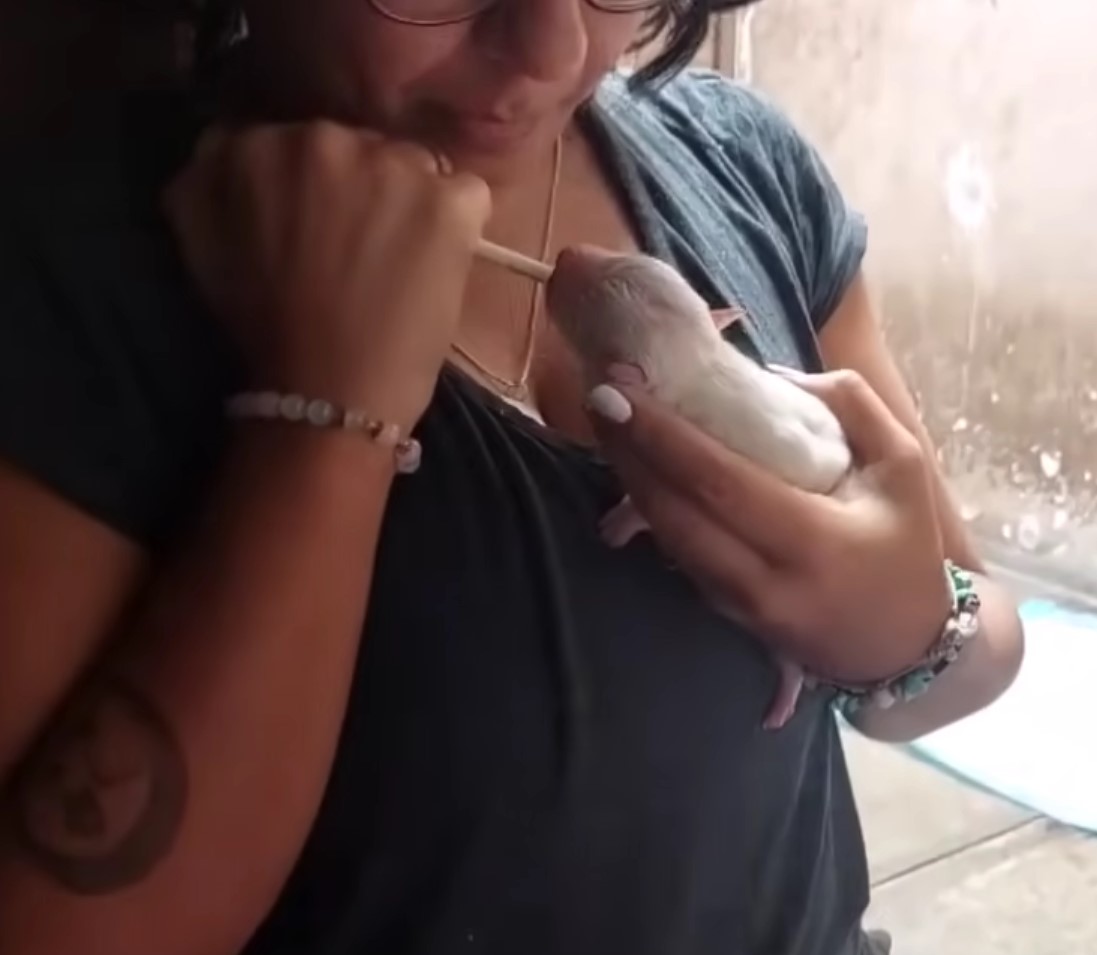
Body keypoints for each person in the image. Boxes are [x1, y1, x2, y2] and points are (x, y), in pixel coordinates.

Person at [0, 1, 1025, 953]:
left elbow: (971, 647)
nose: (551, 51)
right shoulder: (90, 277)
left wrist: (903, 636)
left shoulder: (741, 169)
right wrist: (319, 420)